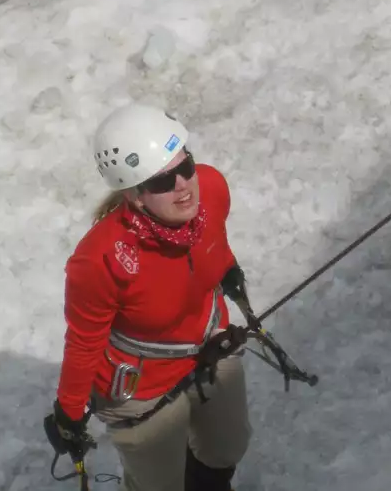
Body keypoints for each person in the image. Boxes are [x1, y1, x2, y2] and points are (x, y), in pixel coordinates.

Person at [44, 105, 253, 491]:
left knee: (228, 447)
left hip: (210, 344)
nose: (183, 185)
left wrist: (228, 272)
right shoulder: (101, 260)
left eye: (185, 166)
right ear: (136, 196)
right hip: (138, 387)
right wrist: (69, 414)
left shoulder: (211, 188)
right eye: (161, 181)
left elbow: (215, 244)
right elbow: (84, 343)